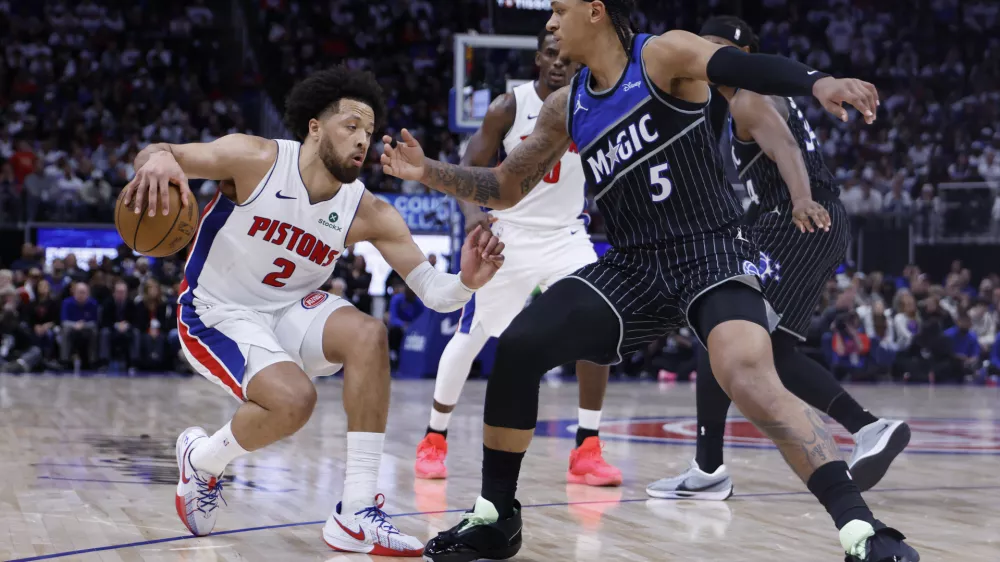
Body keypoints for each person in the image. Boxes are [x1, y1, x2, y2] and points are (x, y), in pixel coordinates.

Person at [381, 1, 916, 561]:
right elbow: (507, 185)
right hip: (633, 265)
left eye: (559, 9)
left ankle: (861, 530)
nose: (549, 22)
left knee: (749, 375)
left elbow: (740, 67)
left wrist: (818, 82)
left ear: (595, 11)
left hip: (708, 251)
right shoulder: (567, 105)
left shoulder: (662, 55)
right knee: (519, 345)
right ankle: (495, 518)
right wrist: (427, 172)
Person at [121, 65, 505, 556]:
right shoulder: (254, 159)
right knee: (294, 402)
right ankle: (203, 460)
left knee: (369, 334)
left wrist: (468, 281)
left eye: (368, 131)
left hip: (288, 310)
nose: (362, 139)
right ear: (315, 127)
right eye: (350, 126)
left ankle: (356, 510)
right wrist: (154, 161)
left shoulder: (368, 211)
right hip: (216, 311)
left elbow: (435, 292)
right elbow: (163, 154)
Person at [646, 17, 910, 500]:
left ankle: (708, 469)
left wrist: (800, 199)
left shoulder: (749, 97)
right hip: (802, 224)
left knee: (719, 326)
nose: (705, 55)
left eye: (717, 47)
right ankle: (869, 427)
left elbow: (785, 147)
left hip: (797, 223)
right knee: (770, 348)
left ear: (744, 55)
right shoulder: (731, 107)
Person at [414, 29, 621, 486]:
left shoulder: (595, 105)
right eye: (552, 55)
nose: (560, 64)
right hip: (510, 236)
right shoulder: (508, 106)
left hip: (568, 236)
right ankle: (434, 438)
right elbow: (470, 165)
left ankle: (587, 447)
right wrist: (473, 217)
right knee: (471, 337)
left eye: (568, 57)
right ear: (538, 60)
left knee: (599, 327)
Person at [60, 281, 99, 369]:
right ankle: (64, 361)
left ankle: (92, 361)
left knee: (94, 331)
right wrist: (75, 325)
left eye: (83, 292)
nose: (81, 295)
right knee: (65, 331)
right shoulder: (67, 303)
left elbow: (95, 322)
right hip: (72, 329)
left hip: (86, 330)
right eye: (79, 292)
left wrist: (83, 325)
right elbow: (64, 321)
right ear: (74, 293)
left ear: (88, 294)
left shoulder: (93, 303)